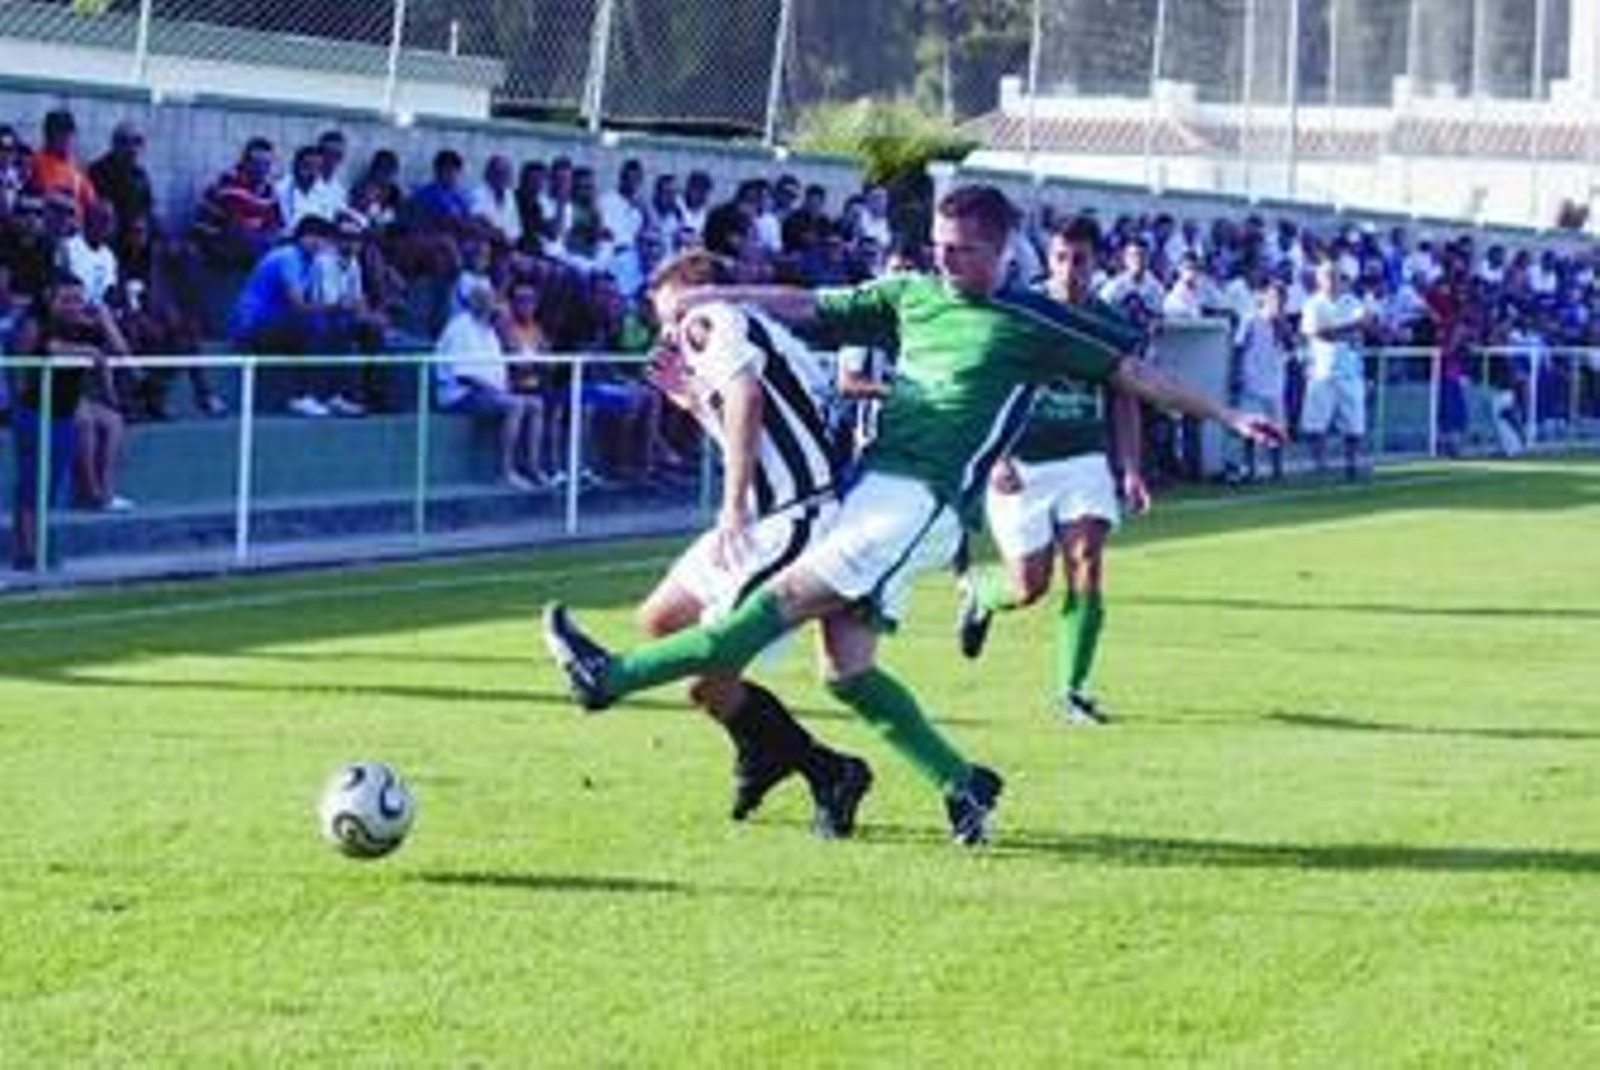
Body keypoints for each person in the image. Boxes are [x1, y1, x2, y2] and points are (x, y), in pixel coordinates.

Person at [544, 184, 1282, 847]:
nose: (946, 261)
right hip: (869, 489)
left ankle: (608, 677)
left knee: (780, 599)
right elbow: (809, 306)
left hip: (920, 502)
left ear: (1002, 250)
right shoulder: (912, 295)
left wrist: (1225, 413)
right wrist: (723, 298)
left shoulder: (1033, 322)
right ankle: (963, 784)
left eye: (962, 251)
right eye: (938, 246)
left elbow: (1138, 374)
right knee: (846, 672)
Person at [599, 248, 872, 836]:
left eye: (668, 313)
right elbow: (746, 414)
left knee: (708, 673)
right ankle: (789, 758)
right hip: (770, 512)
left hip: (788, 516)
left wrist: (729, 507)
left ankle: (826, 770)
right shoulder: (739, 328)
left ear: (696, 294)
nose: (668, 331)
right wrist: (694, 402)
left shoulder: (712, 318)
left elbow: (748, 401)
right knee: (661, 620)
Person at [954, 215, 1148, 726]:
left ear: (1096, 261)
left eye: (1079, 259)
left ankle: (1073, 691)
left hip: (1084, 460)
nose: (1069, 269)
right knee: (1028, 586)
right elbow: (985, 386)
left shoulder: (1114, 325)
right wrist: (995, 457)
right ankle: (981, 592)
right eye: (1060, 258)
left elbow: (1126, 397)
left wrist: (1129, 467)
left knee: (1086, 562)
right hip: (1021, 464)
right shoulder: (1021, 311)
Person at [1299, 259, 1369, 479]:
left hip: (1350, 371)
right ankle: (1319, 465)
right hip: (1321, 371)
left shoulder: (1352, 301)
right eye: (1327, 276)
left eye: (1336, 276)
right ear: (1319, 280)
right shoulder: (1312, 304)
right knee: (1315, 425)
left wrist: (1336, 332)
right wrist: (1348, 330)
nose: (1332, 280)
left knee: (1354, 425)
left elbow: (1365, 322)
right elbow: (1317, 333)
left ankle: (1352, 464)